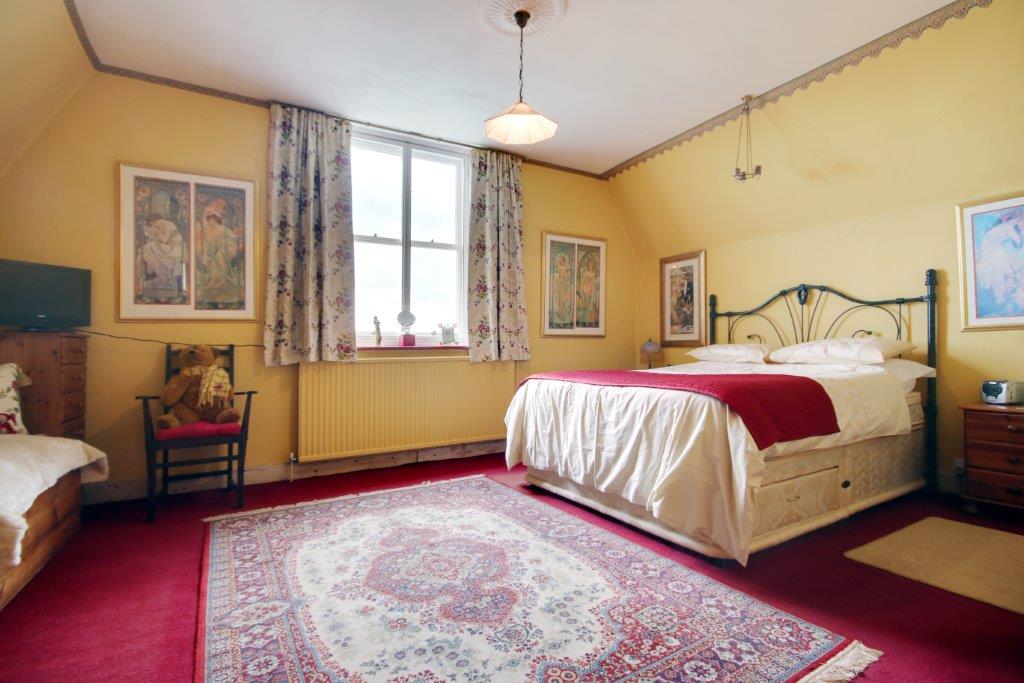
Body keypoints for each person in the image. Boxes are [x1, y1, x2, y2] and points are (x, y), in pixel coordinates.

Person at [141, 212, 184, 291]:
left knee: (150, 246)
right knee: (148, 247)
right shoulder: (161, 226)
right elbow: (156, 240)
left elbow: (164, 240)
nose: (155, 225)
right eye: (153, 224)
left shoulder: (169, 224)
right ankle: (160, 275)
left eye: (154, 223)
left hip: (176, 248)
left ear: (157, 220)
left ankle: (163, 277)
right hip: (169, 247)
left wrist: (158, 233)